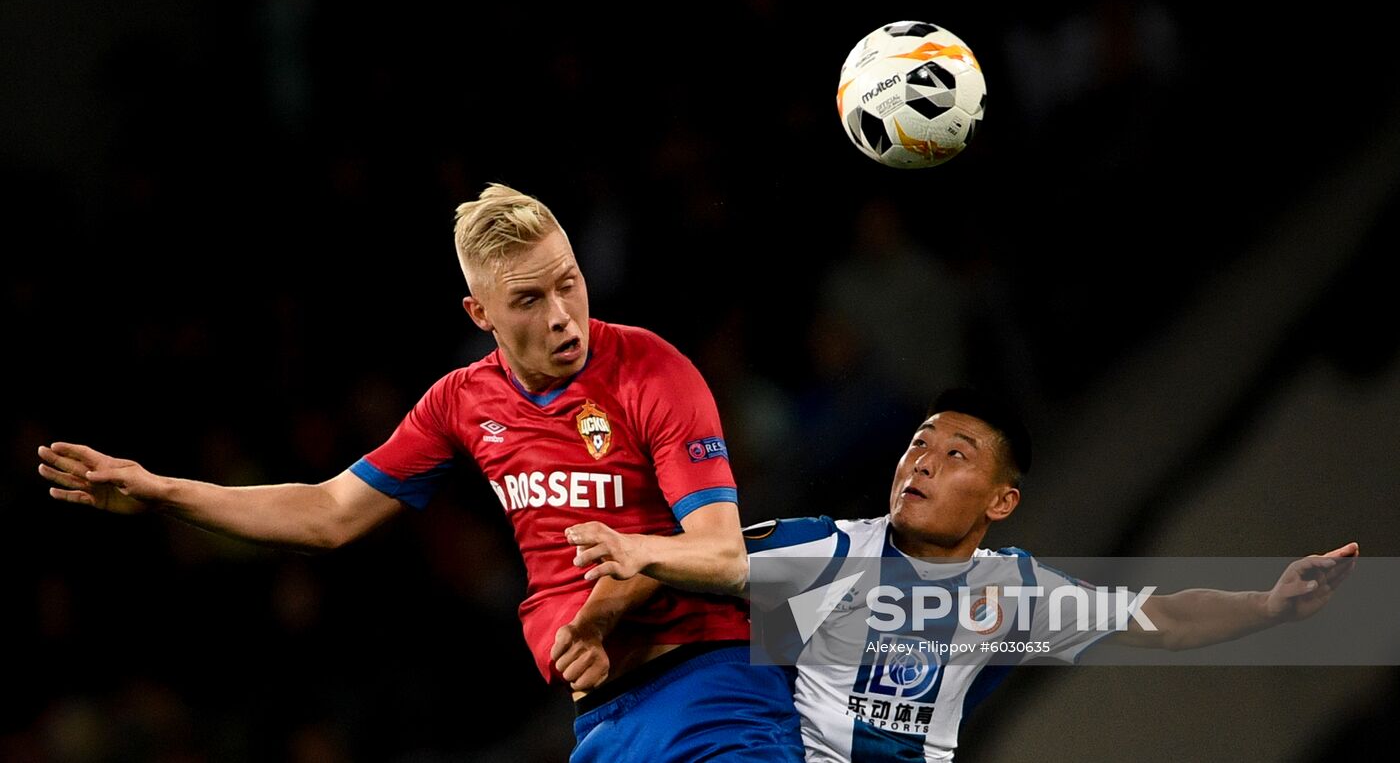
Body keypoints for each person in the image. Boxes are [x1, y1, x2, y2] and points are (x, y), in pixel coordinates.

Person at [39, 183, 804, 762]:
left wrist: (612, 595)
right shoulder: (461, 401)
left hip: (714, 682)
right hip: (602, 714)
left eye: (568, 280)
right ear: (480, 315)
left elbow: (723, 553)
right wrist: (165, 491)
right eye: (529, 299)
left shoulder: (652, 369)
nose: (564, 314)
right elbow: (326, 512)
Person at [566, 387, 1359, 762]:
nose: (923, 462)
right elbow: (689, 557)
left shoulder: (1012, 596)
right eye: (918, 443)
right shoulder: (829, 549)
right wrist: (595, 625)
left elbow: (1167, 619)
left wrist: (1270, 604)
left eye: (956, 455)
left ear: (1002, 499)